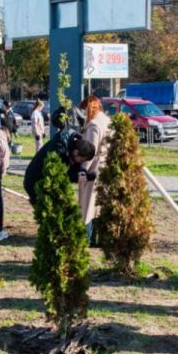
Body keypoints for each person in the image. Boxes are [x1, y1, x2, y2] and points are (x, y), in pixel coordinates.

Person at [23, 132, 96, 206]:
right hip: (35, 182)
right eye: (82, 160)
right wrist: (76, 177)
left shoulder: (71, 148)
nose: (82, 162)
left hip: (47, 184)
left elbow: (76, 166)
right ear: (76, 152)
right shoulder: (58, 150)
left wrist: (85, 174)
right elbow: (57, 174)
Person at [77, 96, 112, 244]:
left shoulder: (94, 125)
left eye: (83, 110)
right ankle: (102, 239)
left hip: (95, 167)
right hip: (107, 166)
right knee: (101, 205)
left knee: (88, 205)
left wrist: (83, 169)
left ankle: (88, 239)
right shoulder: (107, 120)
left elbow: (89, 151)